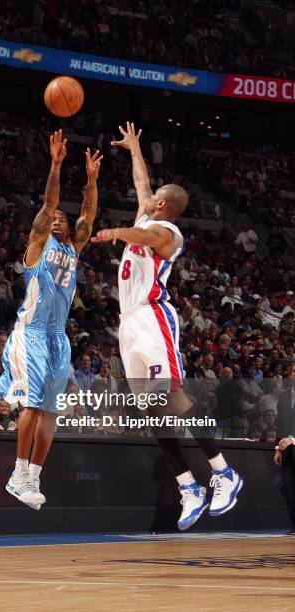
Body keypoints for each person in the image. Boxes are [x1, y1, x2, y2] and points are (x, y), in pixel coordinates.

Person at [92, 122, 243, 531]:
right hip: (129, 324)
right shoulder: (150, 212)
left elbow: (144, 232)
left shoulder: (168, 233)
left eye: (153, 198)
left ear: (163, 205)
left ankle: (223, 471)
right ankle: (188, 486)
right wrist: (135, 150)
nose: (147, 197)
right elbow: (142, 183)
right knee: (151, 412)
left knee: (173, 400)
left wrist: (113, 232)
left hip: (153, 317)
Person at [0, 130, 102, 510]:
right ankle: (17, 473)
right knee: (33, 406)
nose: (58, 219)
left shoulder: (73, 248)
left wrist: (91, 180)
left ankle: (33, 478)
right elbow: (48, 202)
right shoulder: (37, 245)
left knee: (51, 411)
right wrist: (56, 164)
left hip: (59, 337)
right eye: (54, 218)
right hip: (31, 333)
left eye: (62, 218)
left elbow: (88, 215)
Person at [274, 365, 295, 535]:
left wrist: (292, 439)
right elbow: (280, 423)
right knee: (286, 487)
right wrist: (277, 448)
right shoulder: (283, 397)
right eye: (293, 371)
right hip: (287, 448)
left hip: (292, 442)